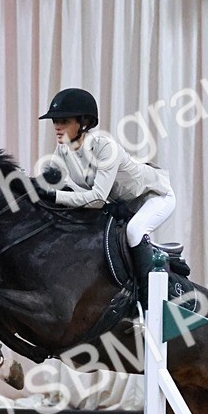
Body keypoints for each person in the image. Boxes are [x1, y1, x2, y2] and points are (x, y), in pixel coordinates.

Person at [37, 88, 178, 305]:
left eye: (63, 120)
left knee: (135, 231)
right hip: (122, 205)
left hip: (155, 197)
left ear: (83, 122)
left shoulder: (105, 147)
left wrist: (54, 196)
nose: (57, 126)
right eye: (55, 121)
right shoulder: (63, 150)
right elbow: (55, 185)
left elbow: (96, 199)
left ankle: (146, 295)